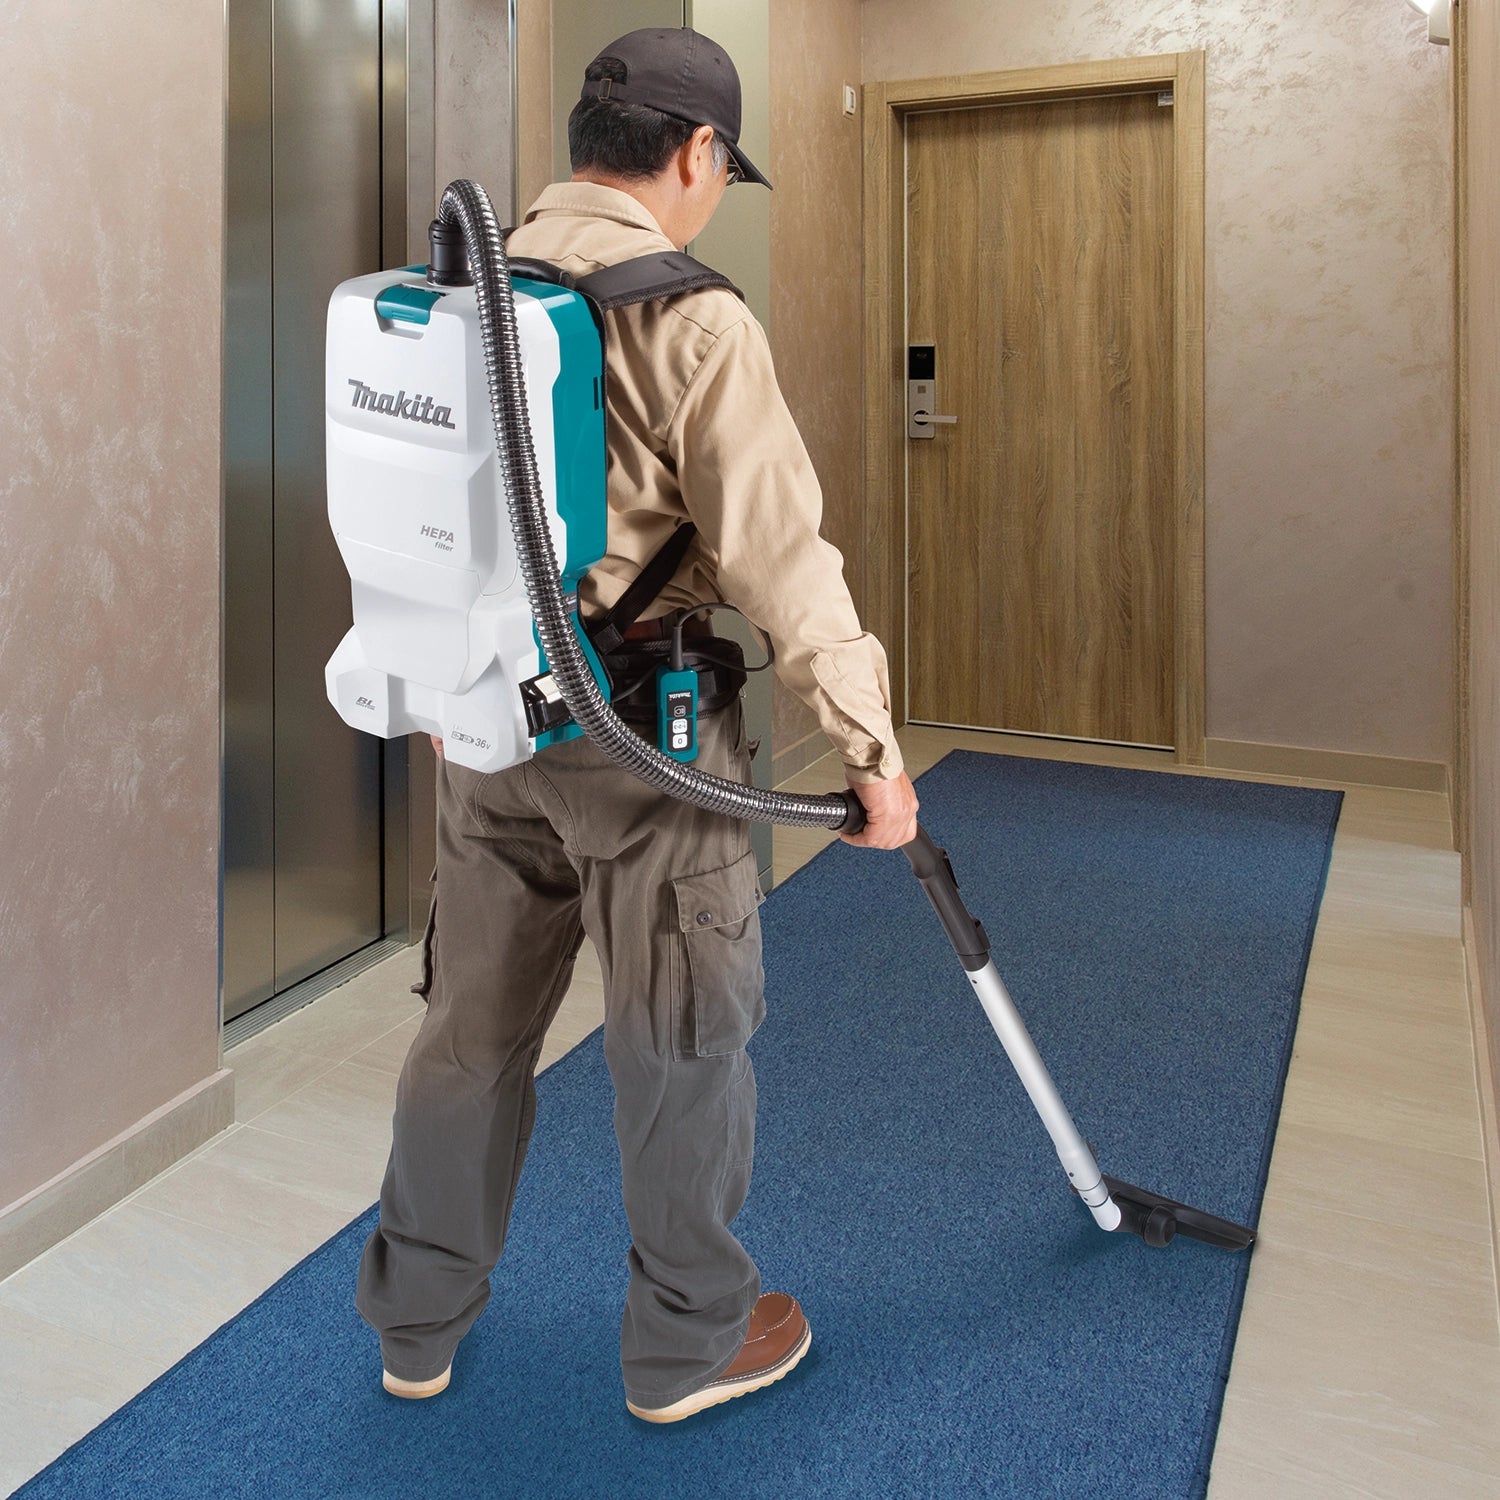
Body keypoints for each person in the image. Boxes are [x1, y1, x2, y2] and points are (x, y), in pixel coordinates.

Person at [354, 25, 919, 1424]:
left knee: (468, 1033)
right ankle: (689, 1344)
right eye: (722, 167)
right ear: (696, 152)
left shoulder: (458, 288)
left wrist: (439, 678)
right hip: (649, 743)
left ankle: (413, 1324)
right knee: (680, 1039)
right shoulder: (693, 316)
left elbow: (402, 510)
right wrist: (873, 756)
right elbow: (783, 558)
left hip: (487, 734)